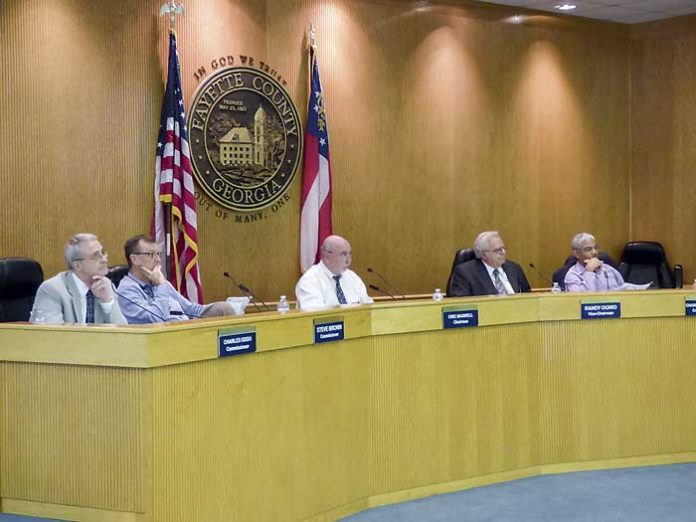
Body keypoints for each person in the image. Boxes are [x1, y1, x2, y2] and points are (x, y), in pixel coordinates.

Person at [116, 235, 234, 323]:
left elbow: (190, 310)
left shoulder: (161, 283)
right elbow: (155, 319)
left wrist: (221, 308)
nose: (157, 259)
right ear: (134, 259)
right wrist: (161, 287)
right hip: (162, 343)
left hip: (184, 330)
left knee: (224, 308)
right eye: (151, 254)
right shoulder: (126, 290)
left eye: (158, 254)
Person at [30, 233, 127, 324]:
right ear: (77, 265)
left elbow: (123, 333)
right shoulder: (52, 289)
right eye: (96, 256)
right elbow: (50, 334)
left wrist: (107, 301)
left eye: (103, 252)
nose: (104, 259)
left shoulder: (106, 284)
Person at [295, 235, 373, 310]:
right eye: (343, 254)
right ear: (327, 257)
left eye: (350, 254)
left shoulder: (352, 277)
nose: (348, 261)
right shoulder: (310, 281)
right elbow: (314, 316)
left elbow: (369, 306)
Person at [449, 231, 531, 297]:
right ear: (484, 255)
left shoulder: (514, 268)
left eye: (503, 248)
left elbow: (528, 296)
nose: (503, 252)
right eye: (497, 250)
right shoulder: (465, 273)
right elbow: (462, 306)